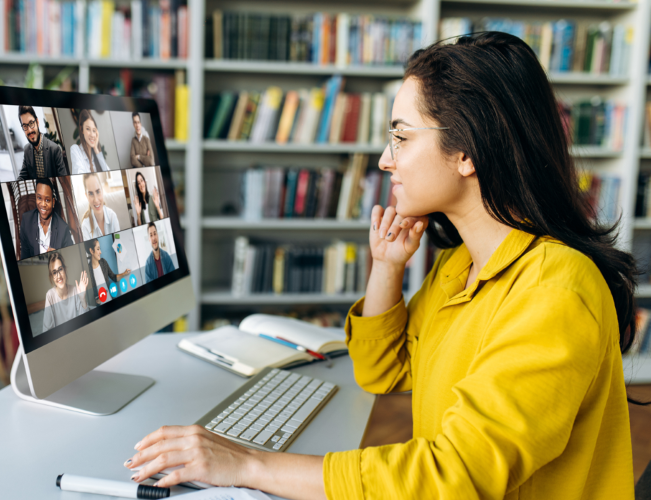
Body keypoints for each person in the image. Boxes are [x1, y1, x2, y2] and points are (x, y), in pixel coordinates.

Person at [123, 32, 637, 499]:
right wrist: (387, 266)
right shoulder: (461, 266)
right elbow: (382, 371)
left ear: (468, 152)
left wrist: (249, 463)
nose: (385, 160)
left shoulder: (555, 289)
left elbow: (452, 477)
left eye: (402, 137)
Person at [19, 178, 75, 259]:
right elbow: (24, 257)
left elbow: (72, 256)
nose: (43, 204)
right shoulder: (26, 220)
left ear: (53, 202)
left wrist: (58, 256)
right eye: (39, 198)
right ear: (35, 197)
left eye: (47, 200)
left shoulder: (63, 229)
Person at [16, 106, 69, 180]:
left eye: (31, 123)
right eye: (25, 126)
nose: (29, 130)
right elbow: (22, 176)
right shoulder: (26, 150)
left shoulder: (55, 149)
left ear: (37, 122)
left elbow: (64, 180)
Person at [42, 252, 88, 332]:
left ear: (65, 270)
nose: (59, 276)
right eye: (54, 272)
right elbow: (46, 330)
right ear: (52, 277)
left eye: (60, 269)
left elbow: (86, 320)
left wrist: (82, 299)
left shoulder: (74, 290)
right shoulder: (50, 296)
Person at [84, 239, 127, 305]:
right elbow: (89, 294)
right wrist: (96, 299)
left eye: (100, 249)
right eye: (98, 249)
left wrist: (124, 273)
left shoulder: (103, 262)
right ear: (91, 251)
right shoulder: (88, 271)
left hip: (111, 301)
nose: (100, 252)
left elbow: (113, 277)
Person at [80, 173, 121, 240]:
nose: (96, 200)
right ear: (86, 196)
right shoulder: (85, 226)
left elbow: (119, 245)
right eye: (90, 193)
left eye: (98, 191)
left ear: (102, 190)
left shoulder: (112, 216)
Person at [70, 109, 110, 174]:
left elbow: (108, 174)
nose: (92, 134)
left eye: (94, 130)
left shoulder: (95, 154)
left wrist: (96, 150)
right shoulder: (75, 150)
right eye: (88, 129)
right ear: (81, 129)